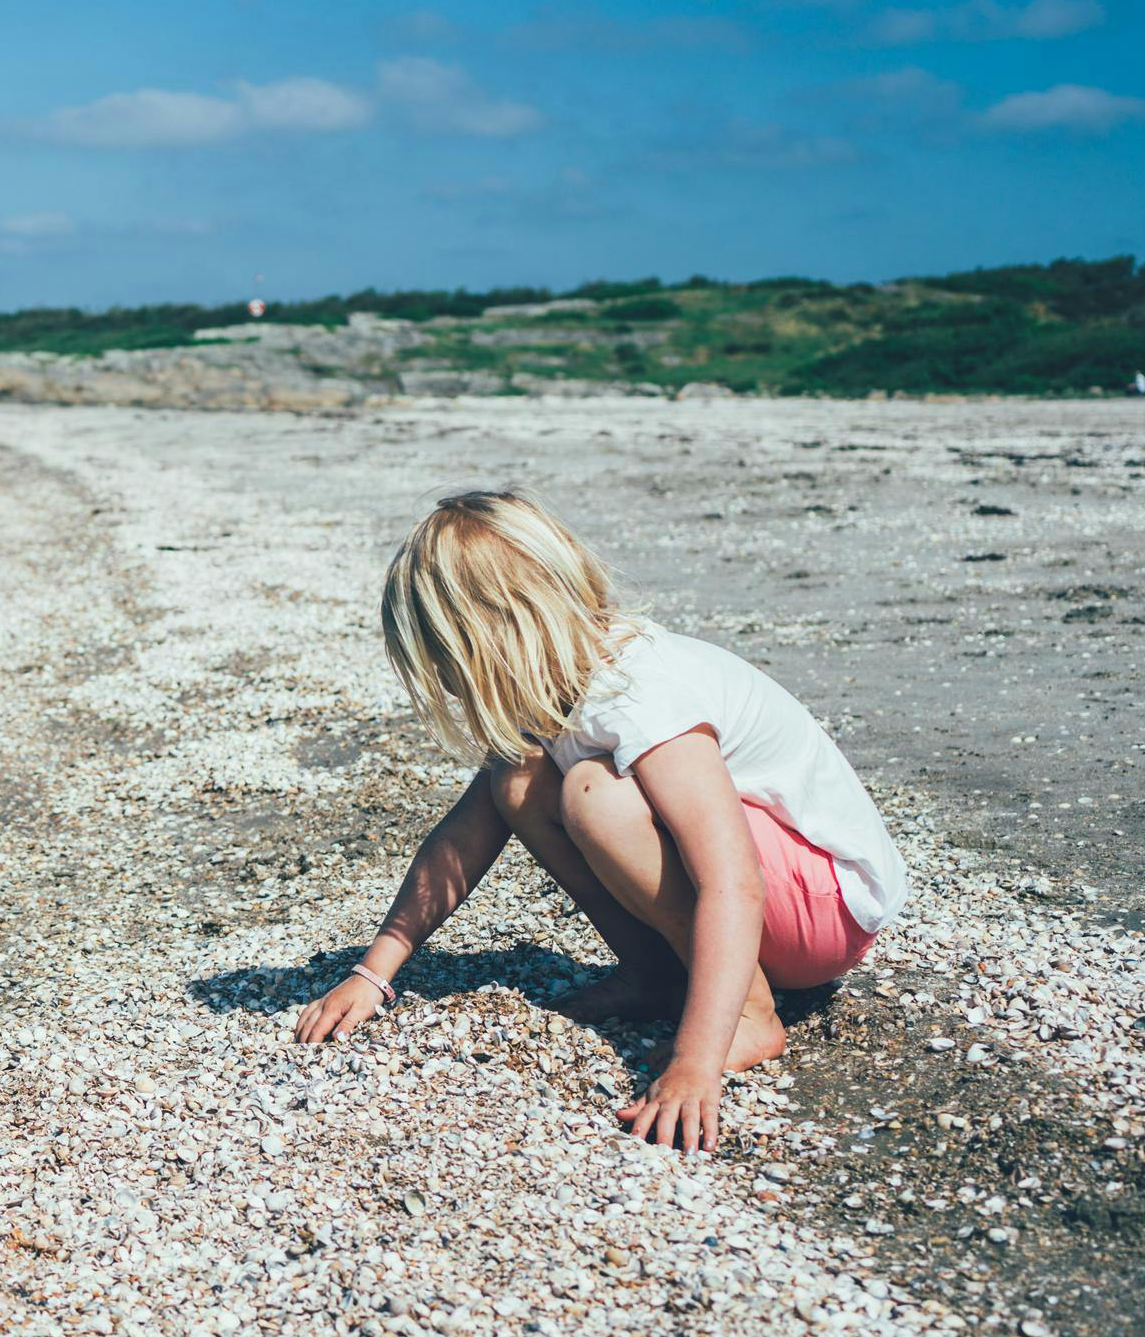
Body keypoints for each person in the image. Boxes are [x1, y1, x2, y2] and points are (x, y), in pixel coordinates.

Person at [292, 488, 907, 1152]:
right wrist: (373, 972)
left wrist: (695, 1064)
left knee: (597, 795)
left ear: (498, 638)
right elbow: (460, 842)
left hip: (823, 911)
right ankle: (655, 975)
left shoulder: (642, 694)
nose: (449, 687)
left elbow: (734, 881)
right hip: (765, 907)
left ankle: (752, 1015)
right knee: (517, 778)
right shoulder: (553, 685)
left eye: (452, 667)